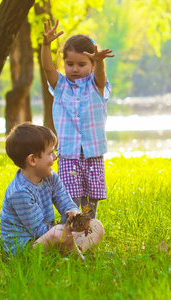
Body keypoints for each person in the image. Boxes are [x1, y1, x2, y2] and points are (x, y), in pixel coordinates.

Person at [41, 19, 114, 218]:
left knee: (91, 200)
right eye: (69, 63)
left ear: (91, 66)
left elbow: (100, 73)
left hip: (93, 152)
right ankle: (71, 233)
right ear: (63, 62)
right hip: (68, 154)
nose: (75, 69)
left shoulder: (96, 85)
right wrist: (46, 45)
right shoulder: (61, 86)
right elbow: (48, 69)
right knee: (71, 198)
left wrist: (99, 61)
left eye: (82, 64)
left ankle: (89, 234)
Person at [0, 122, 104, 260]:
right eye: (50, 153)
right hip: (25, 250)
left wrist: (75, 215)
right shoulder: (20, 192)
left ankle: (74, 254)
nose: (55, 157)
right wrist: (67, 229)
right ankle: (79, 261)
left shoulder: (50, 178)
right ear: (32, 160)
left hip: (48, 237)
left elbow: (65, 201)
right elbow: (38, 231)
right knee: (59, 232)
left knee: (96, 225)